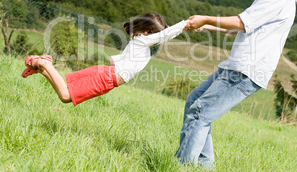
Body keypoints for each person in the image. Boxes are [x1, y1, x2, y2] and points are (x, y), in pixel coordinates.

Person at [176, 0, 296, 168]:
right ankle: (203, 167)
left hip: (245, 69)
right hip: (236, 66)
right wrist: (208, 27)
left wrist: (205, 18)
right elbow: (245, 27)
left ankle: (181, 167)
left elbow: (242, 22)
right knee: (195, 102)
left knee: (200, 113)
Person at [22, 12, 188, 106]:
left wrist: (192, 27)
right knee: (66, 95)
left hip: (105, 72)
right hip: (107, 77)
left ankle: (42, 69)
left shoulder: (139, 39)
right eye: (155, 35)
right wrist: (186, 24)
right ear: (146, 33)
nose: (158, 39)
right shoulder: (143, 41)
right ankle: (44, 63)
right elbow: (166, 34)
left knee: (67, 89)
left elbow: (165, 34)